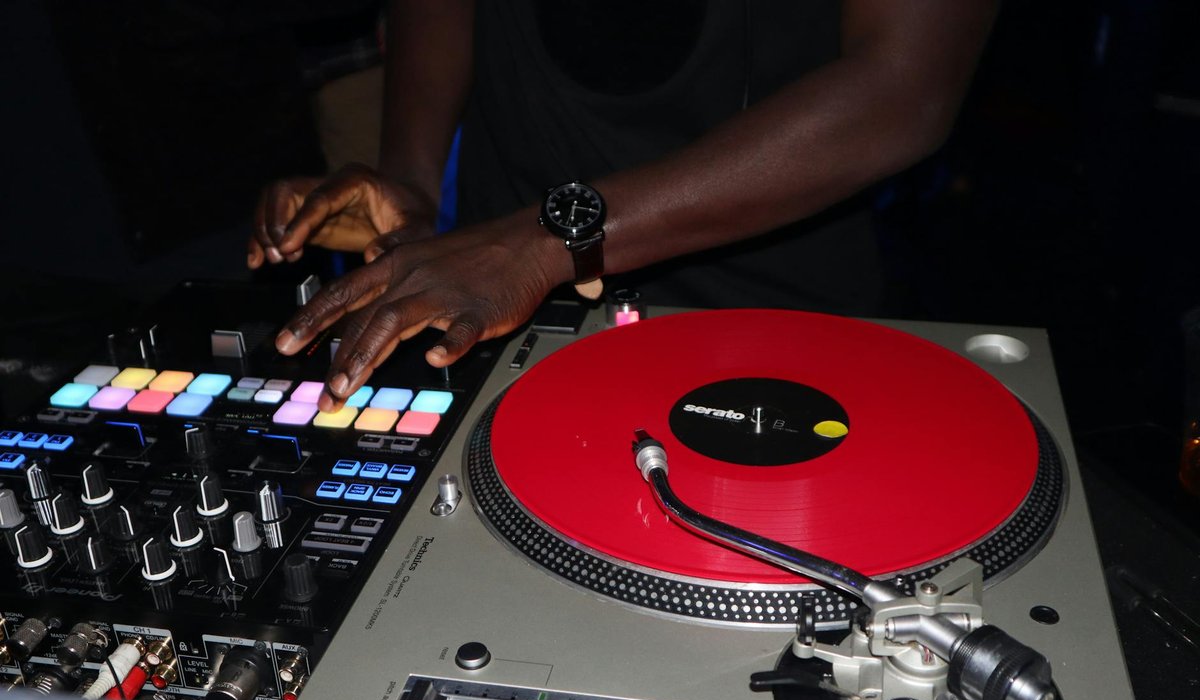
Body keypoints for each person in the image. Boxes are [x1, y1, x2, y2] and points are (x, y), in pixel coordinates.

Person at [249, 0, 998, 413]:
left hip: (763, 321)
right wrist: (408, 179)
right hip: (503, 309)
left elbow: (903, 88)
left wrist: (545, 240)